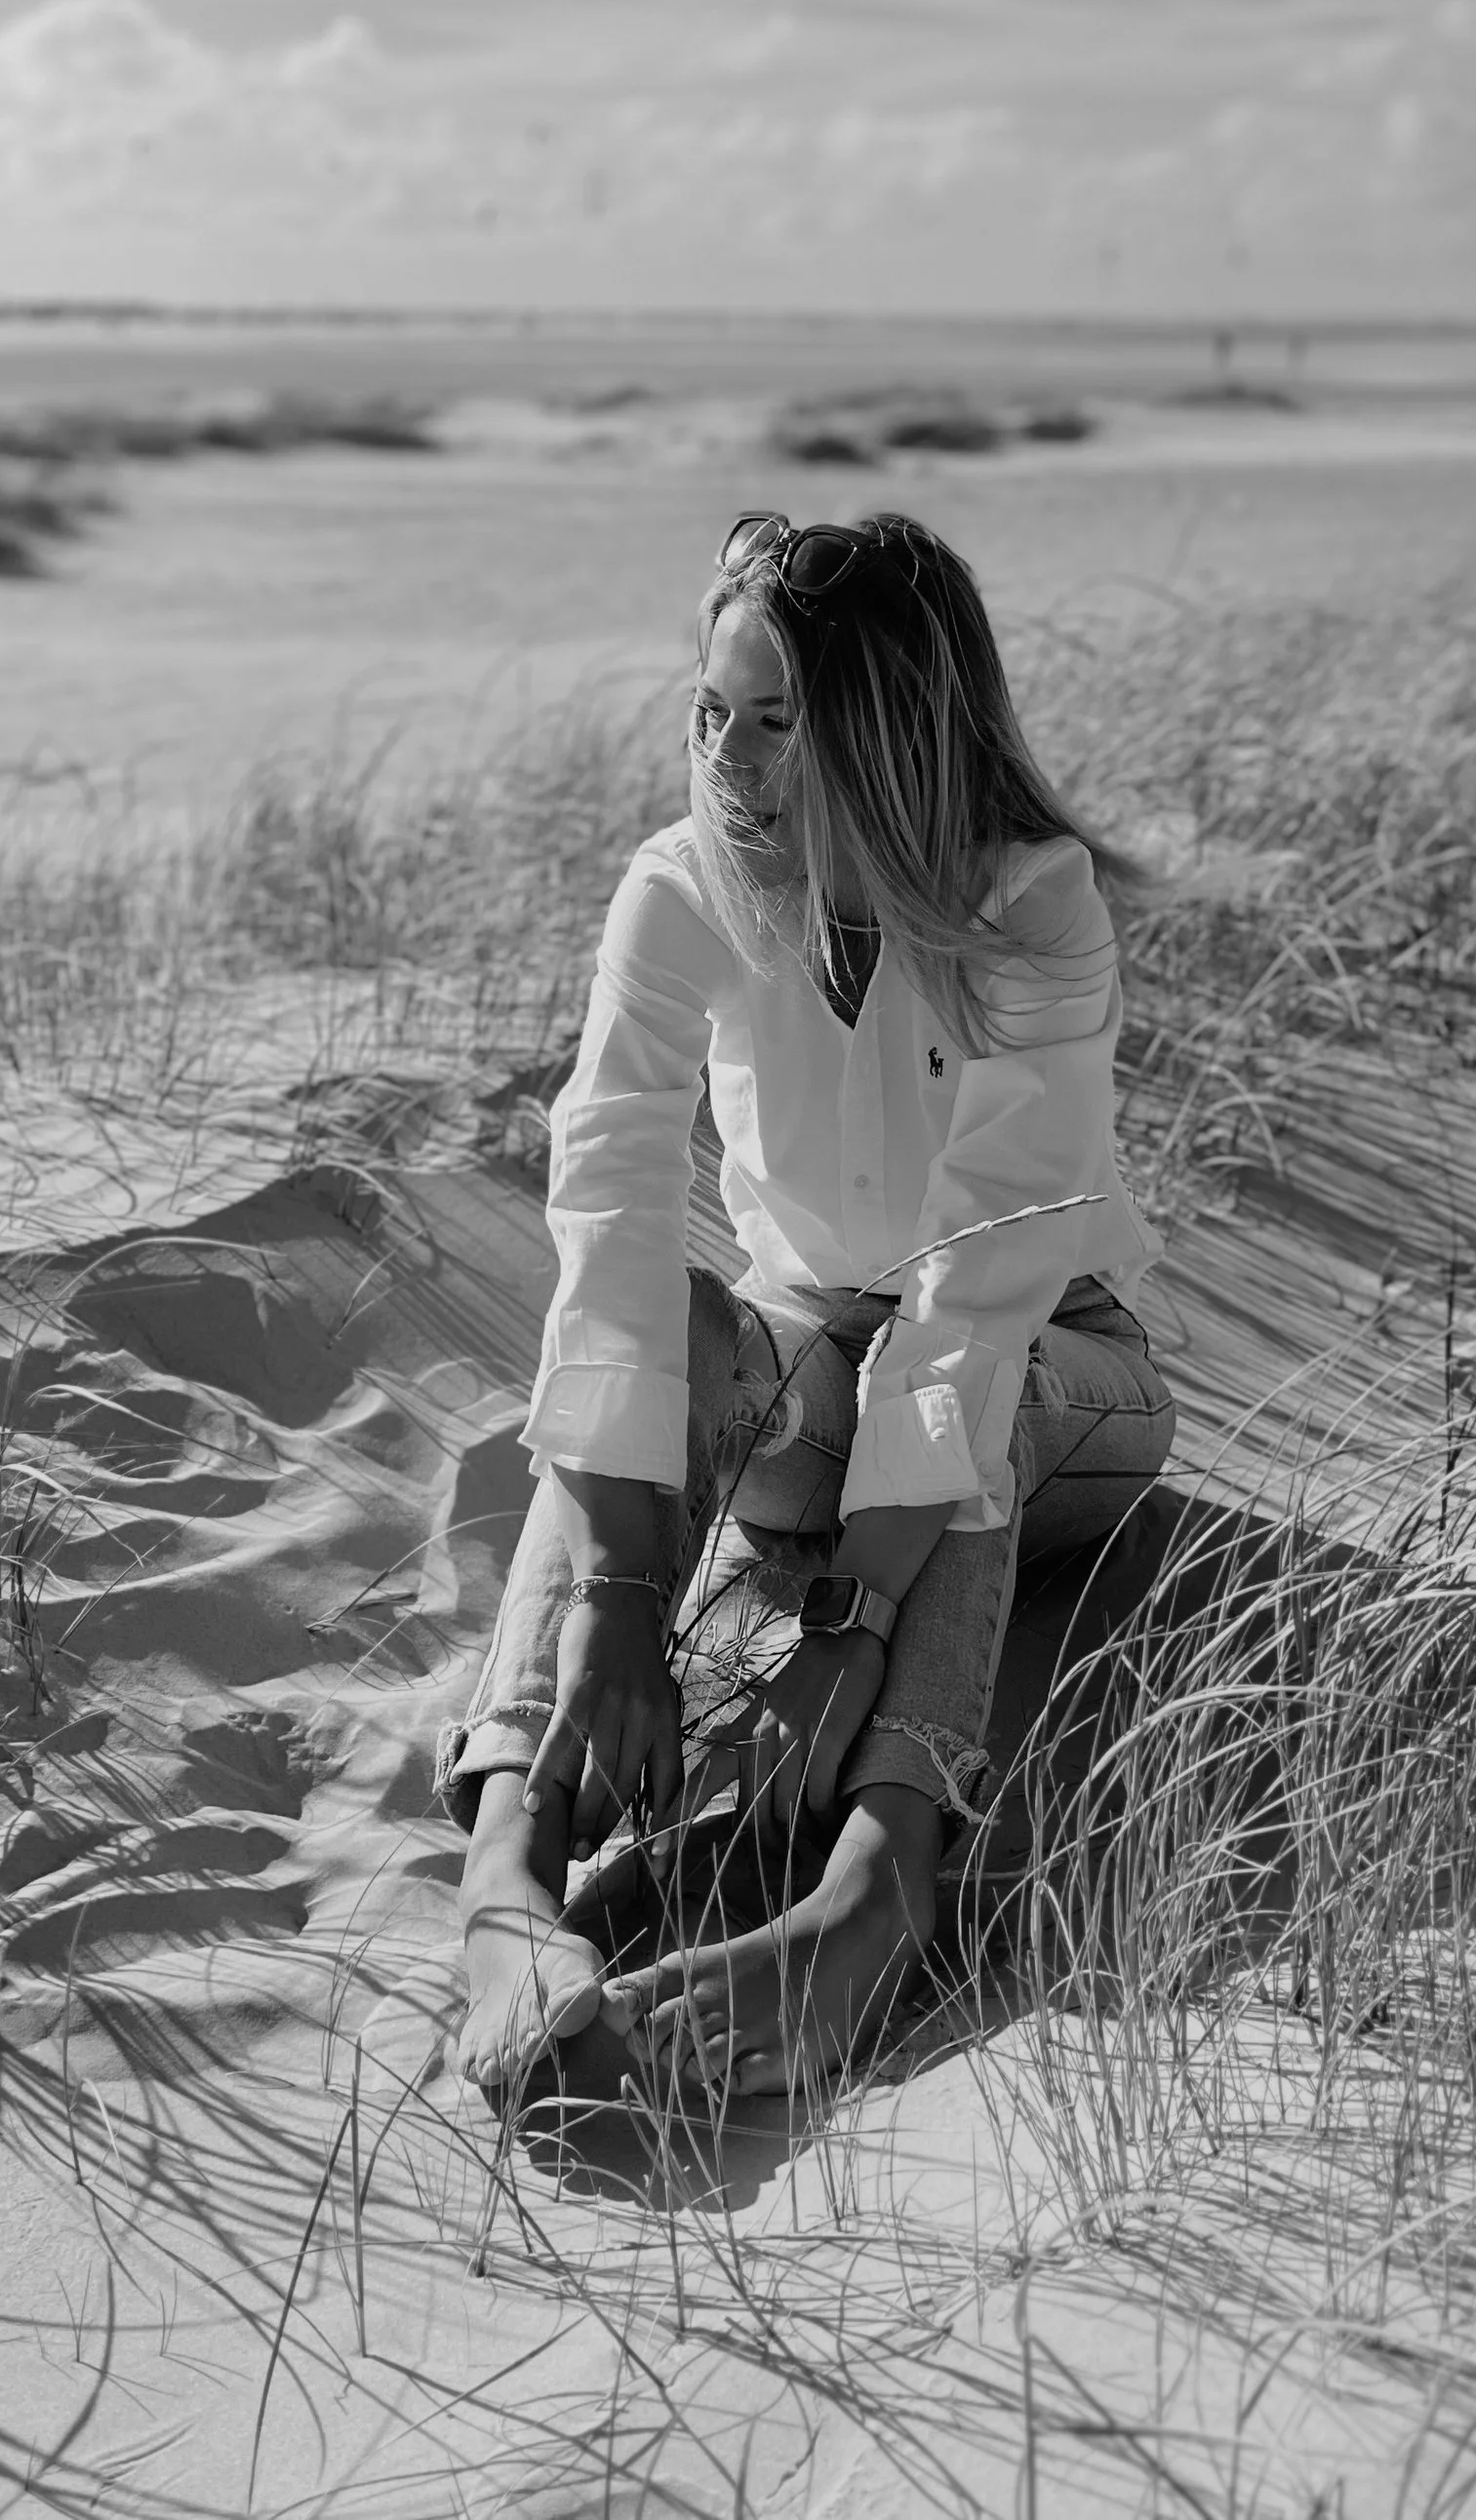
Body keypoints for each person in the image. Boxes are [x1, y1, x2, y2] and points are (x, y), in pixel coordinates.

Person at [437, 508, 1176, 2098]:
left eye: (776, 720)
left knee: (975, 1394)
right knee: (672, 1326)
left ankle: (870, 1898)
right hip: (811, 1380)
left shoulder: (1030, 904)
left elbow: (981, 1291)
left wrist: (848, 1624)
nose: (730, 757)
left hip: (1062, 1377)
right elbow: (613, 1210)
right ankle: (509, 1871)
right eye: (709, 710)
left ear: (886, 730)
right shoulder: (682, 886)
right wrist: (625, 1597)